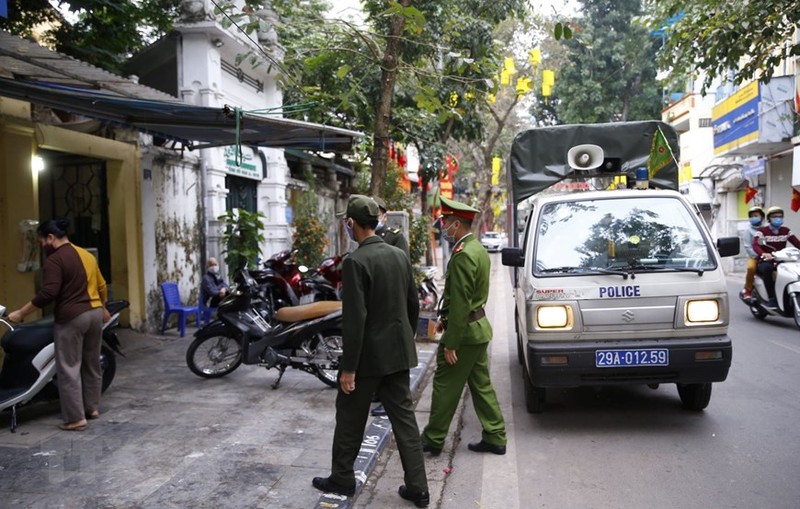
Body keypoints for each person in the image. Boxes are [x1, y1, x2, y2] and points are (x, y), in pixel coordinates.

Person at [312, 195, 429, 508]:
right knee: (404, 420)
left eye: (346, 222)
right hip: (398, 354)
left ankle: (342, 478)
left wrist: (348, 368)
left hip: (366, 360)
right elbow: (412, 306)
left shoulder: (355, 261)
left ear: (351, 223)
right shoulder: (399, 256)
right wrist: (404, 340)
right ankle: (418, 487)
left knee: (350, 418)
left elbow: (355, 319)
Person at [420, 196, 507, 456]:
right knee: (481, 385)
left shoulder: (462, 255)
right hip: (477, 329)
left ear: (456, 224)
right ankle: (495, 434)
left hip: (465, 334)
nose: (442, 227)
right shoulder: (477, 249)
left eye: (445, 222)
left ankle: (433, 439)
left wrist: (451, 343)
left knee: (445, 385)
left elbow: (460, 304)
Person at [7, 217, 110, 431]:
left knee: (69, 368)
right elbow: (101, 285)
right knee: (91, 364)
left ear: (51, 238)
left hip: (73, 317)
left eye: (41, 241)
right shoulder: (86, 255)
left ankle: (75, 418)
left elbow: (49, 293)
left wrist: (21, 312)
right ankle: (92, 408)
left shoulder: (54, 261)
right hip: (94, 315)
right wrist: (103, 307)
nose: (42, 246)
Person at [371, 196, 410, 417]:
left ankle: (389, 401)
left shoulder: (394, 237)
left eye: (378, 213)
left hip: (390, 302)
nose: (376, 217)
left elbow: (401, 270)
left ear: (384, 216)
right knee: (376, 350)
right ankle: (378, 392)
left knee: (388, 352)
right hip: (374, 303)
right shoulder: (365, 236)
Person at [752, 206, 800, 307]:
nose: (778, 219)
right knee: (767, 269)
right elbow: (756, 244)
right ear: (769, 219)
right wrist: (763, 253)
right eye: (775, 217)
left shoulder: (786, 231)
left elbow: (797, 243)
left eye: (780, 216)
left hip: (782, 259)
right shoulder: (762, 231)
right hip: (767, 260)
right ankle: (771, 298)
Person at [742, 206, 764, 300]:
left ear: (762, 217)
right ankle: (748, 290)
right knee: (751, 268)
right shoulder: (748, 231)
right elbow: (747, 246)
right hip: (754, 257)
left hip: (767, 256)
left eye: (756, 215)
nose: (753, 218)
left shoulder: (766, 229)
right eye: (752, 216)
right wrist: (758, 256)